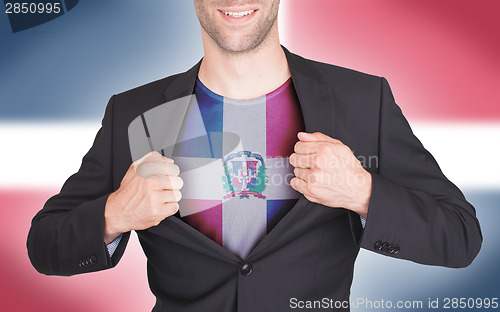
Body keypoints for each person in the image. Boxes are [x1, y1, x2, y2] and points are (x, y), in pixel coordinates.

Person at [27, 1, 482, 311]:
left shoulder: (363, 100)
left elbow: (460, 237)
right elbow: (45, 245)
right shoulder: (134, 112)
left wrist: (363, 192)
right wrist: (114, 214)